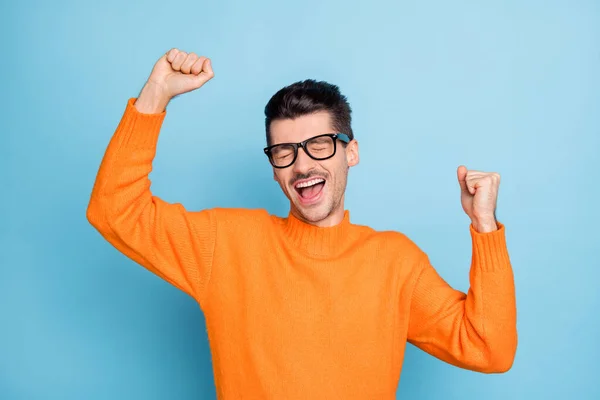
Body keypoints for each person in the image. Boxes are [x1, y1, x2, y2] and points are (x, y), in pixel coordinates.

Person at [86, 48, 517, 399]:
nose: (302, 165)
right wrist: (154, 96)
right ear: (274, 167)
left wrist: (484, 228)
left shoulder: (395, 263)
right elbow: (113, 209)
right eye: (285, 151)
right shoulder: (226, 243)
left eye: (319, 144)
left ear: (351, 152)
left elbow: (489, 349)